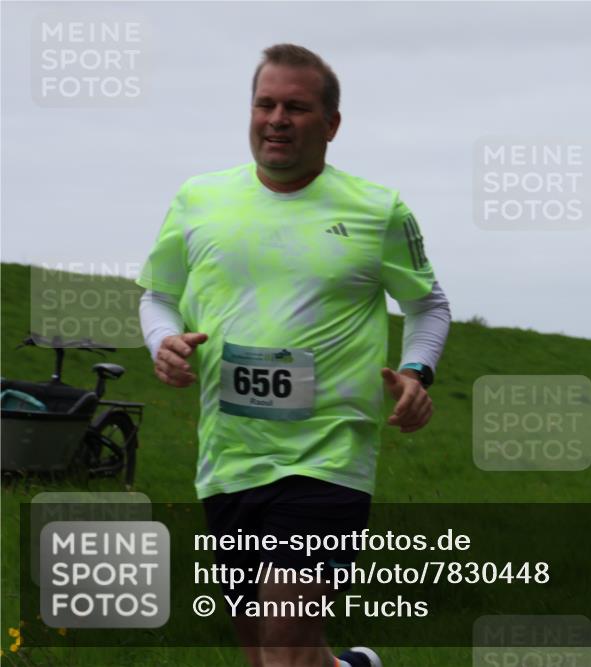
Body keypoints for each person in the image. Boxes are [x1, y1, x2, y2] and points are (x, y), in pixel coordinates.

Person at [136, 44, 451, 667]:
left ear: (331, 125)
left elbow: (428, 305)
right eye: (265, 103)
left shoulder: (376, 209)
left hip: (328, 455)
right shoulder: (199, 199)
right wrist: (162, 342)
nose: (277, 118)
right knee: (261, 648)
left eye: (297, 107)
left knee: (283, 639)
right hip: (229, 457)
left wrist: (417, 372)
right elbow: (158, 295)